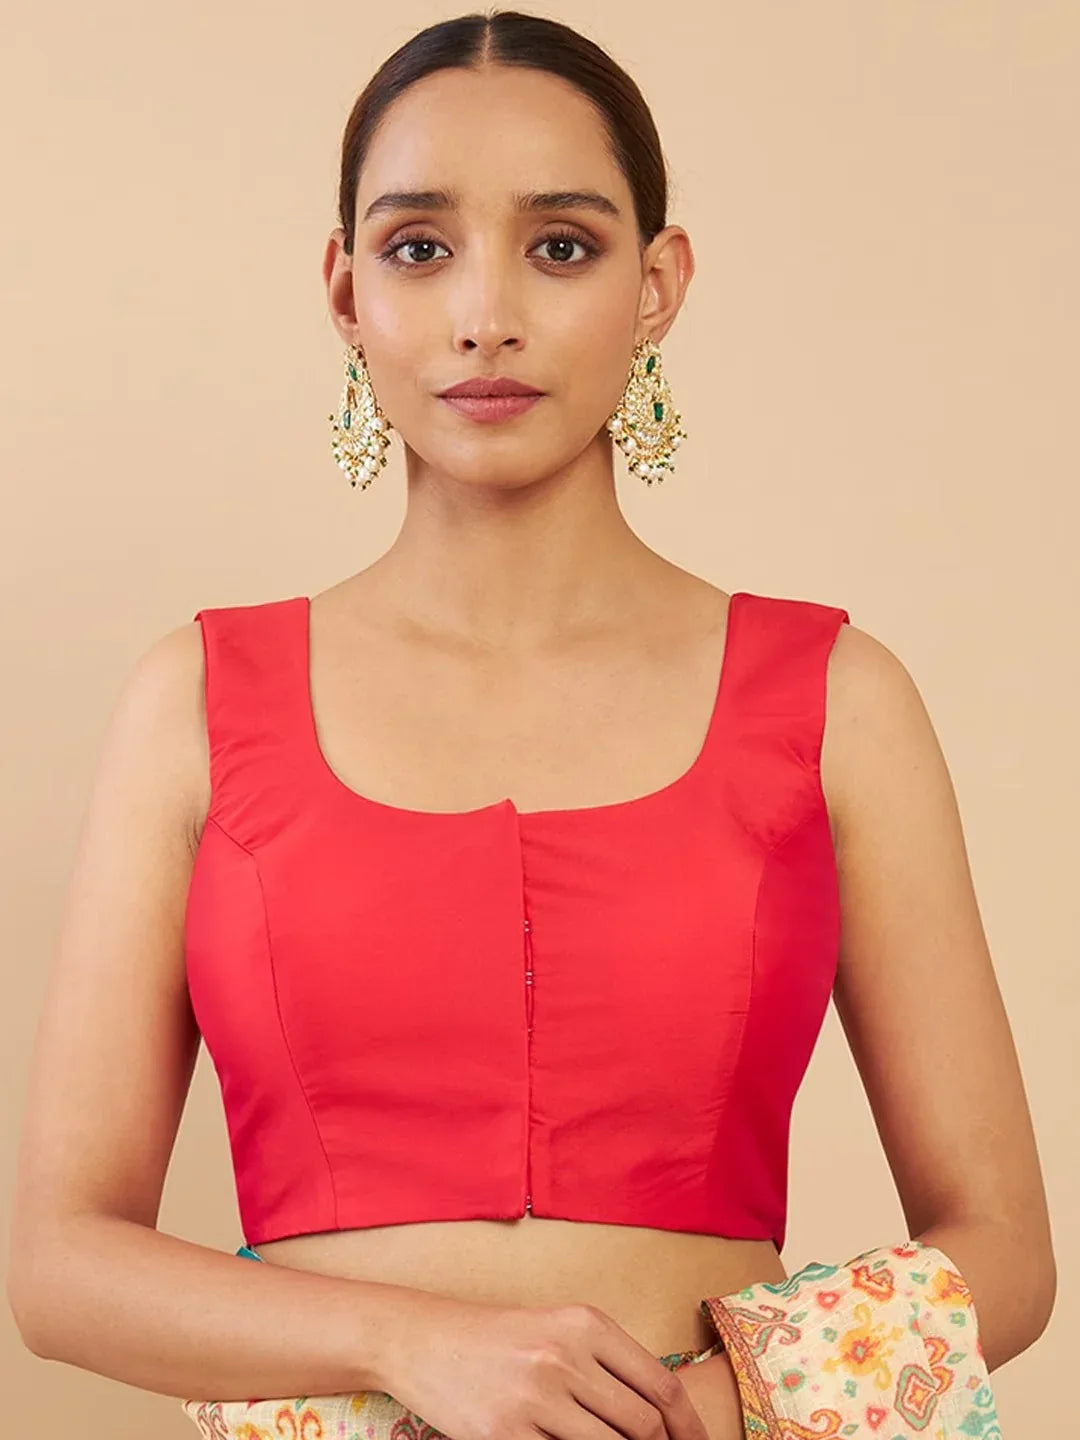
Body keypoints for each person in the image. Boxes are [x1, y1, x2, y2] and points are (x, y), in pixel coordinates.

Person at [6, 10, 1055, 1440]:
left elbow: (1002, 1245)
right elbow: (59, 1267)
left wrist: (717, 1404)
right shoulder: (194, 701)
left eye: (560, 246)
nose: (483, 312)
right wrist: (410, 1345)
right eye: (419, 246)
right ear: (343, 288)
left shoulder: (836, 701)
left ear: (659, 284)